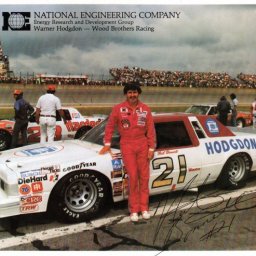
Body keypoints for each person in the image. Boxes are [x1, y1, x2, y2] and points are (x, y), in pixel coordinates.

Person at [99, 83, 156, 222]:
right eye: (130, 92)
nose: (132, 95)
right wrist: (107, 143)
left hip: (142, 144)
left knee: (144, 177)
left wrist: (151, 148)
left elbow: (151, 129)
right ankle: (134, 210)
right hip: (127, 144)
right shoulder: (118, 108)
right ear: (126, 94)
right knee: (133, 177)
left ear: (139, 93)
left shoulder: (145, 109)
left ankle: (144, 208)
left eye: (135, 92)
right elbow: (110, 126)